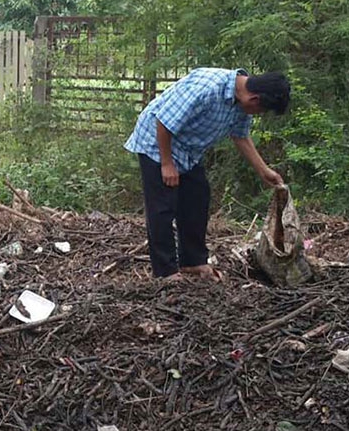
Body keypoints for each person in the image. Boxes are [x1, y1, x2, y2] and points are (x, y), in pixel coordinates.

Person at [124, 68, 290, 280]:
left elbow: (240, 136)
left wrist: (264, 170)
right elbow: (163, 121)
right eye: (261, 111)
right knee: (163, 207)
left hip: (189, 150)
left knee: (197, 198)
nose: (258, 115)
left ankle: (193, 262)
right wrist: (167, 164)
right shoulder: (207, 90)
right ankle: (165, 271)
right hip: (157, 142)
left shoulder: (241, 102)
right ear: (255, 99)